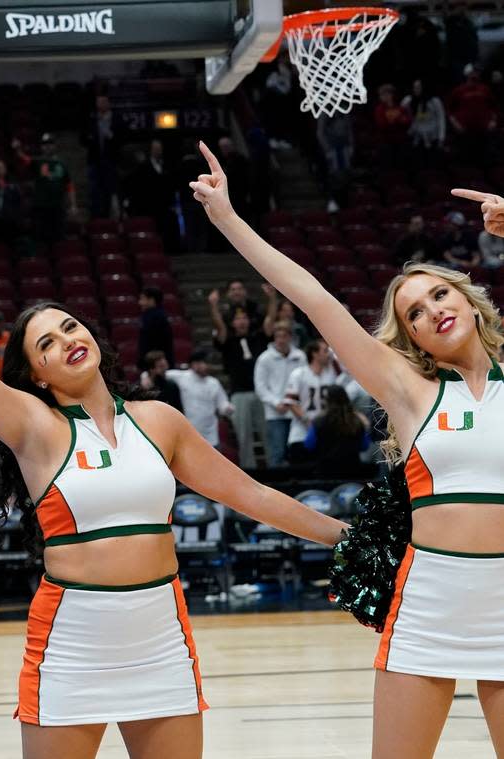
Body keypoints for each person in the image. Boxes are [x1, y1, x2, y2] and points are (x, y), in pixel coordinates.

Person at [0, 234, 346, 759]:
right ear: (36, 374)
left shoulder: (160, 421)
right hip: (73, 642)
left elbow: (251, 495)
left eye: (70, 327)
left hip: (161, 636)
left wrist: (352, 538)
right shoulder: (35, 426)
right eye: (47, 344)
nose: (67, 341)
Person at [194, 143, 504, 759]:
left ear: (467, 298)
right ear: (409, 337)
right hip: (430, 601)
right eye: (414, 313)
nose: (432, 311)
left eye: (439, 296)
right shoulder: (412, 391)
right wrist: (228, 218)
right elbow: (313, 298)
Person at [210, 298, 269, 469]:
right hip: (239, 392)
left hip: (260, 392)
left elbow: (270, 323)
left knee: (266, 433)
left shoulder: (257, 337)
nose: (241, 321)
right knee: (244, 436)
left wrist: (271, 298)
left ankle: (272, 469)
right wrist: (213, 306)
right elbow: (220, 328)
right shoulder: (227, 340)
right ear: (232, 323)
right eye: (237, 319)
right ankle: (249, 471)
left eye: (244, 318)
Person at [253, 321, 307, 467]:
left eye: (284, 336)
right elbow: (260, 387)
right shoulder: (264, 359)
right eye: (278, 336)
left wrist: (294, 403)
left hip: (297, 412)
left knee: (296, 452)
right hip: (275, 413)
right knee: (277, 452)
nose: (281, 340)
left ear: (290, 337)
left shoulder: (300, 356)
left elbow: (304, 382)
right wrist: (276, 402)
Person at [282, 339, 344, 463]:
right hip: (302, 431)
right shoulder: (298, 374)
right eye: (325, 351)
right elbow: (290, 402)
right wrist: (308, 421)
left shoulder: (332, 373)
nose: (329, 354)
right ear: (314, 354)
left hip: (326, 431)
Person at [14, 133, 78, 250]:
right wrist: (18, 149)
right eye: (45, 144)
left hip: (57, 208)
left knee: (58, 240)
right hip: (41, 207)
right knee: (40, 240)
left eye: (50, 144)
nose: (47, 147)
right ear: (42, 147)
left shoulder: (62, 164)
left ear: (54, 146)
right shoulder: (38, 162)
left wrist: (73, 205)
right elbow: (23, 158)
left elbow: (69, 186)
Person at [165, 349, 234, 449]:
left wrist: (227, 408)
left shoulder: (213, 383)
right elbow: (161, 374)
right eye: (203, 363)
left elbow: (222, 404)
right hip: (190, 432)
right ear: (194, 364)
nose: (206, 366)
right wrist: (145, 376)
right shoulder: (182, 377)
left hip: (210, 435)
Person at [303, 384, 372, 478]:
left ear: (328, 401)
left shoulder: (319, 421)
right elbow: (364, 446)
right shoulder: (356, 420)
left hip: (325, 473)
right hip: (352, 472)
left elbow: (309, 445)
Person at [81, 95, 123, 219]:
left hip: (111, 161)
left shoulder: (117, 119)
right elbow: (82, 138)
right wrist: (89, 138)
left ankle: (113, 217)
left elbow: (123, 138)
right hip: (94, 161)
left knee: (110, 190)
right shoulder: (91, 119)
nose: (101, 104)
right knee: (95, 191)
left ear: (108, 103)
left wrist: (110, 135)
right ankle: (97, 218)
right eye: (98, 102)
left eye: (103, 102)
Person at [137, 287, 175, 364]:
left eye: (142, 299)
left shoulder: (157, 318)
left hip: (155, 363)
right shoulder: (148, 316)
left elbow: (153, 344)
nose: (139, 303)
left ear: (152, 300)